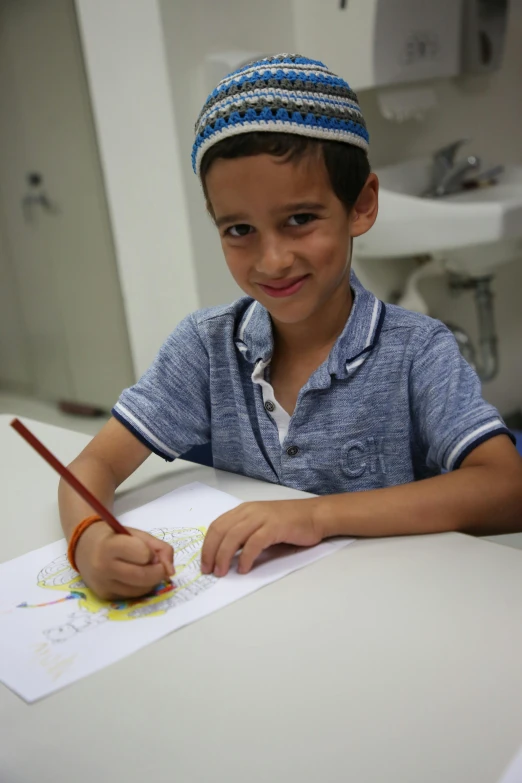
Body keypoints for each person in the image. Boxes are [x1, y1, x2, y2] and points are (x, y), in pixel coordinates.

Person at [59, 54, 522, 600]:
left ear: (361, 205)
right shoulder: (205, 347)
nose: (272, 259)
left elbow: (506, 489)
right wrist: (88, 541)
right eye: (239, 229)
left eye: (299, 219)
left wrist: (314, 516)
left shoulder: (417, 351)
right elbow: (94, 464)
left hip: (390, 613)